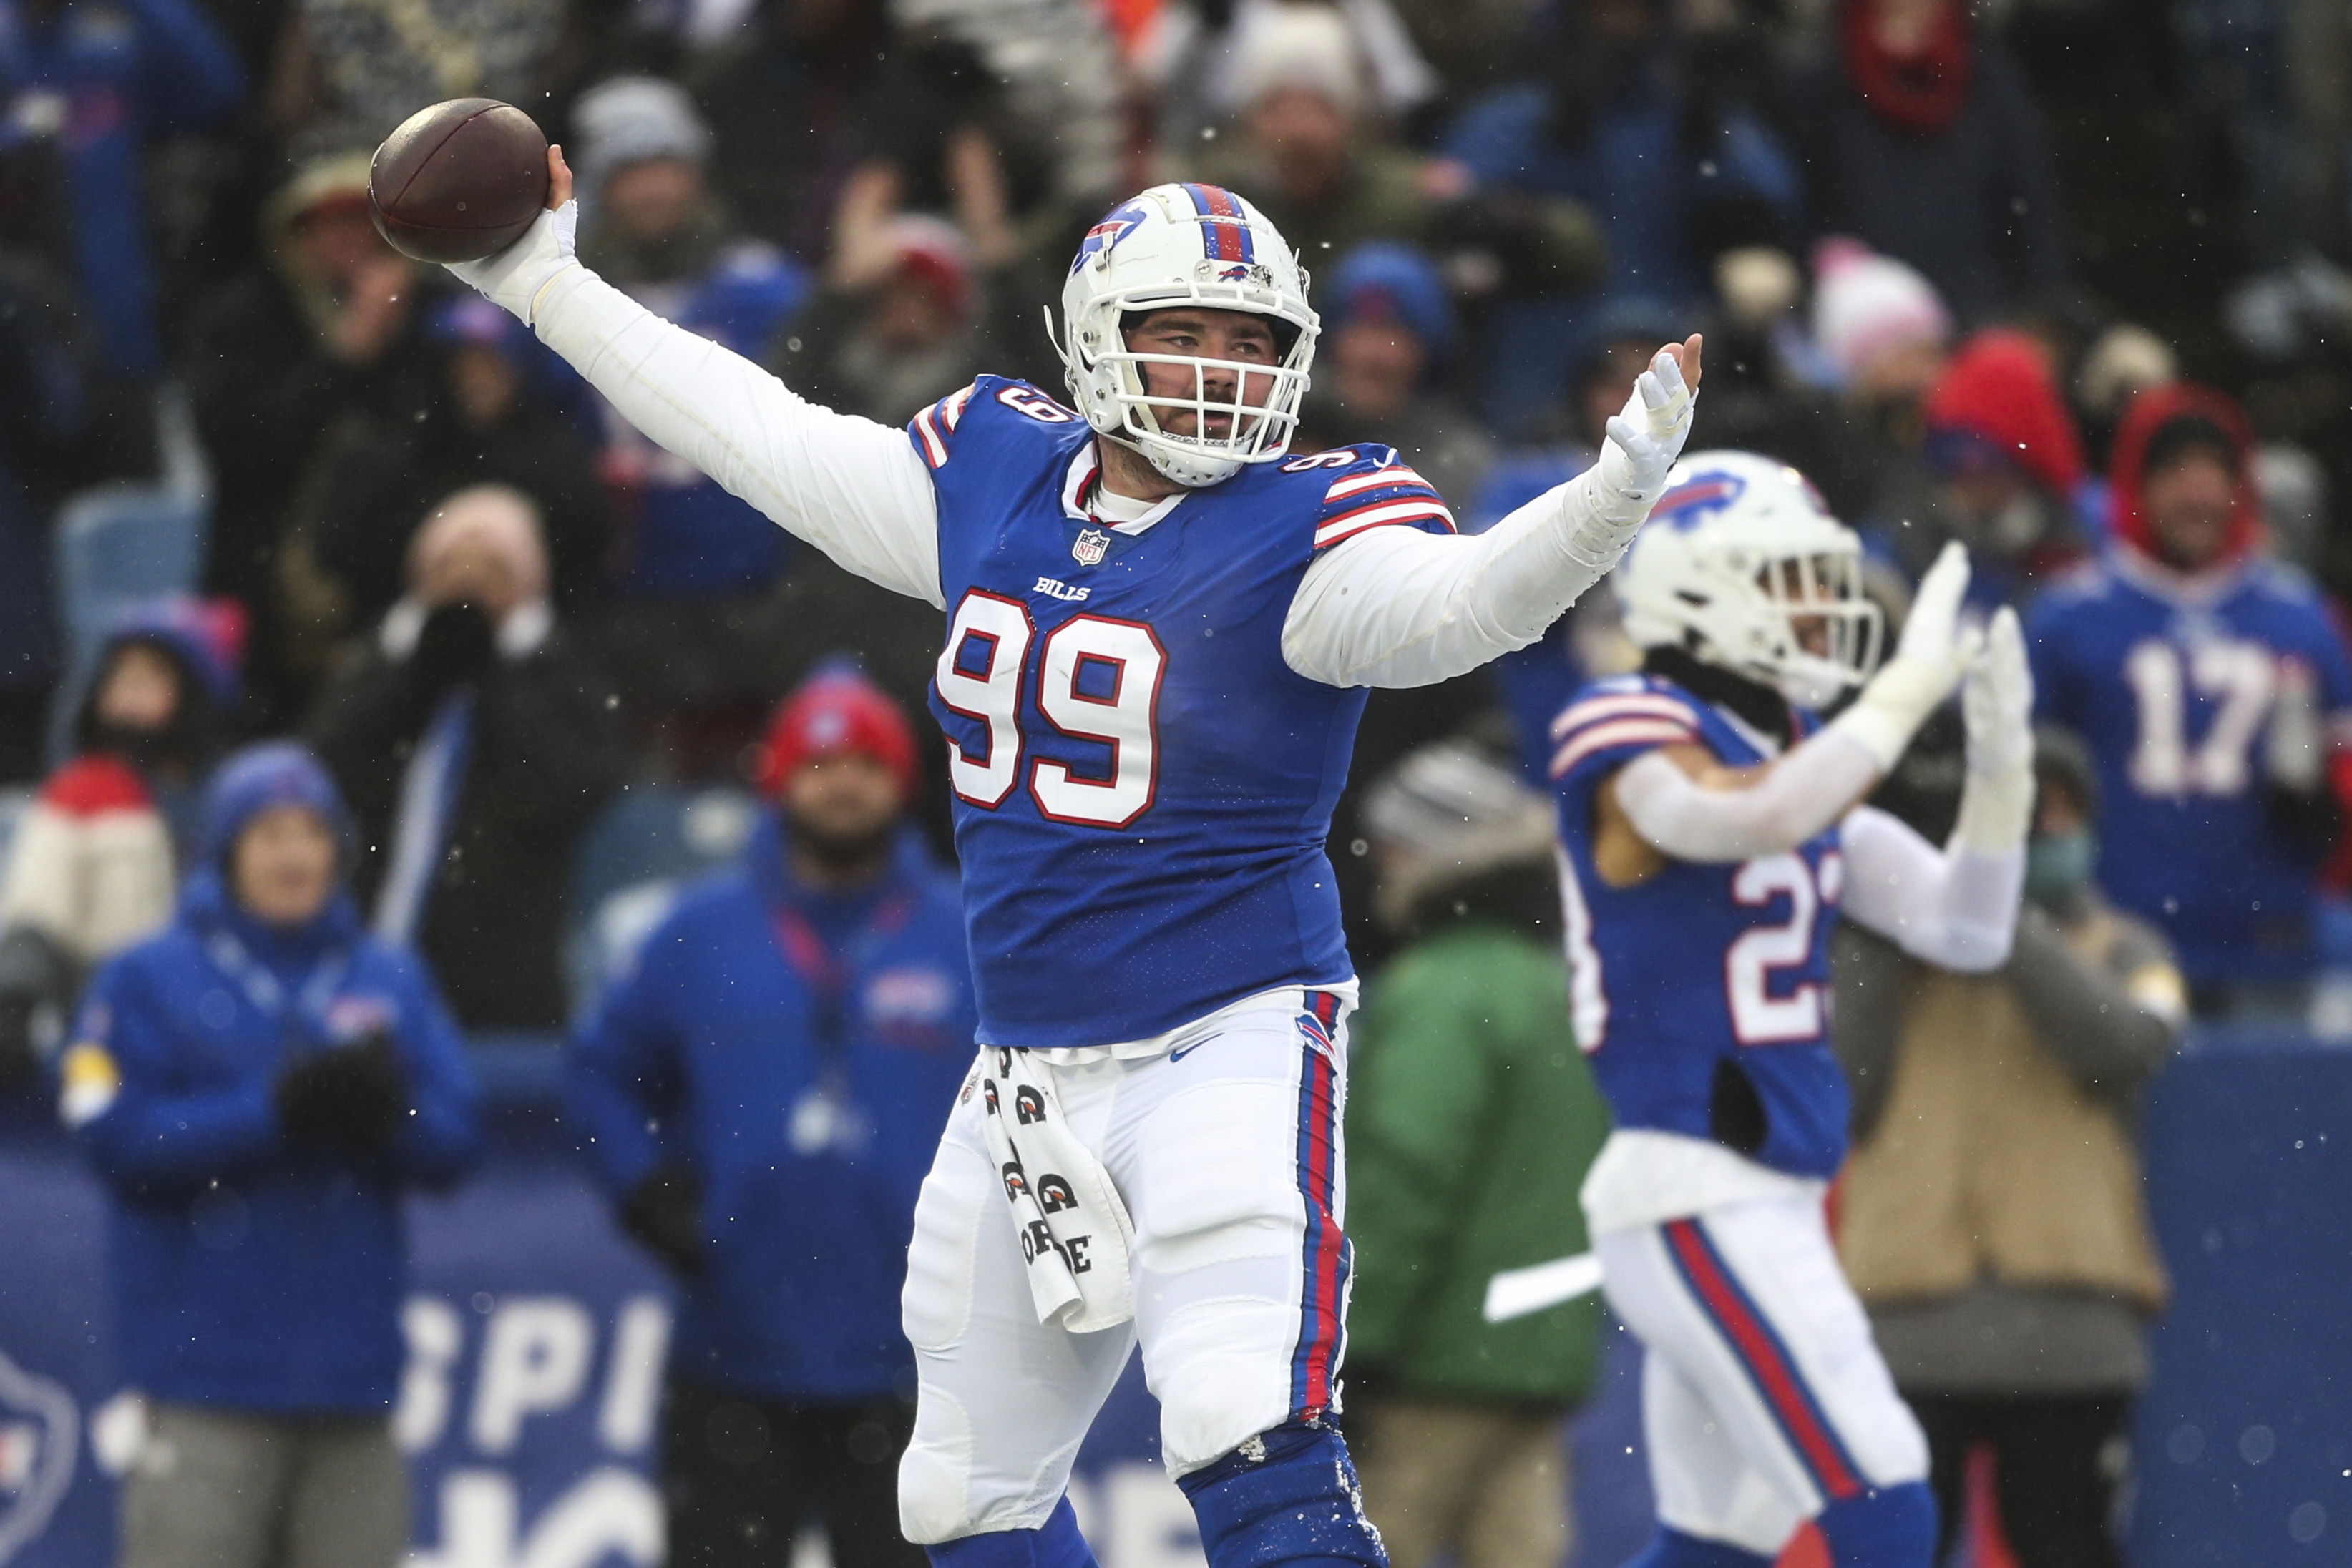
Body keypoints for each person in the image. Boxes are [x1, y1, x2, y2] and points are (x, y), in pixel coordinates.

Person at [447, 156, 1699, 1567]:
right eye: (1184, 330)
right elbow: (761, 434)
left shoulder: (1307, 524)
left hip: (1227, 1037)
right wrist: (546, 282)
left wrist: (1598, 506)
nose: (1220, 369)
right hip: (1028, 1069)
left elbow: (1458, 606)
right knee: (958, 1493)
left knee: (1245, 1426)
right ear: (1098, 326)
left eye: (1251, 341)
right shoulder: (994, 471)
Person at [1546, 450, 2032, 1565]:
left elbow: (1968, 928)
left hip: (1754, 1189)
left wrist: (1998, 770)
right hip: (1693, 1182)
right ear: (1697, 582)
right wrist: (1902, 696)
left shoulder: (1795, 751)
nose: (1822, 608)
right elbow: (1742, 820)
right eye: (1792, 579)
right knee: (1886, 1502)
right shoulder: (1624, 721)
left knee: (1713, 1548)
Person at [569, 667, 976, 1568]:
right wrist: (641, 1186)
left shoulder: (965, 931)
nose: (842, 782)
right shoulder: (697, 931)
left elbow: (1041, 1093)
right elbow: (600, 1071)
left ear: (899, 779)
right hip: (733, 1351)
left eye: (865, 761)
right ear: (779, 777)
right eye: (820, 760)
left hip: (915, 1364)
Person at [59, 741, 480, 1568]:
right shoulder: (147, 976)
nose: (294, 855)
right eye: (270, 834)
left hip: (352, 1386)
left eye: (310, 832)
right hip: (204, 1378)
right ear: (228, 849)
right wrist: (272, 1112)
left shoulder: (385, 974)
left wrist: (383, 1115)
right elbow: (113, 1136)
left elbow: (456, 1145)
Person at [1831, 726, 2184, 1567]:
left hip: (2069, 1330)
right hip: (1907, 1322)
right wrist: (1901, 903)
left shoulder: (2131, 949)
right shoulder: (1882, 950)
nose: (2039, 831)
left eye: (2054, 813)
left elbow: (2125, 1046)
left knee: (2064, 1546)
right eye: (2019, 814)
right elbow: (1841, 1090)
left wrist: (1991, 910)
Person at [1342, 742, 1612, 1568]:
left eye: (1391, 846)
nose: (1380, 867)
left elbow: (1402, 1176)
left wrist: (1350, 1346)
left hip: (1430, 1364)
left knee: (1369, 1550)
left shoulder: (1439, 990)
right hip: (1537, 1358)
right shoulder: (1560, 984)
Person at [2026, 383, 2352, 1013]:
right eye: (2176, 473)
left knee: (2273, 1106)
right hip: (2120, 935)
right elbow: (2030, 771)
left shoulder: (2298, 615)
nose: (2199, 495)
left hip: (2268, 934)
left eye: (2215, 474)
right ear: (2135, 483)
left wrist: (2327, 803)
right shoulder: (2071, 615)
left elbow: (2340, 760)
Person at [308, 485, 624, 1031]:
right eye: (449, 566)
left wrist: (494, 672)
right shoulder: (383, 662)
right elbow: (329, 768)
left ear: (529, 582)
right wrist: (419, 677)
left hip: (502, 966)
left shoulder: (562, 676)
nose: (468, 586)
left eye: (492, 569)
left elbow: (561, 790)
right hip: (366, 943)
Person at [0, 597, 239, 1089]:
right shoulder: (88, 785)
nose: (127, 691)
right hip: (89, 994)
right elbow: (43, 900)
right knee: (91, 801)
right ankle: (14, 999)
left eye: (151, 677)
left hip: (204, 998)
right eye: (118, 676)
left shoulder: (228, 795)